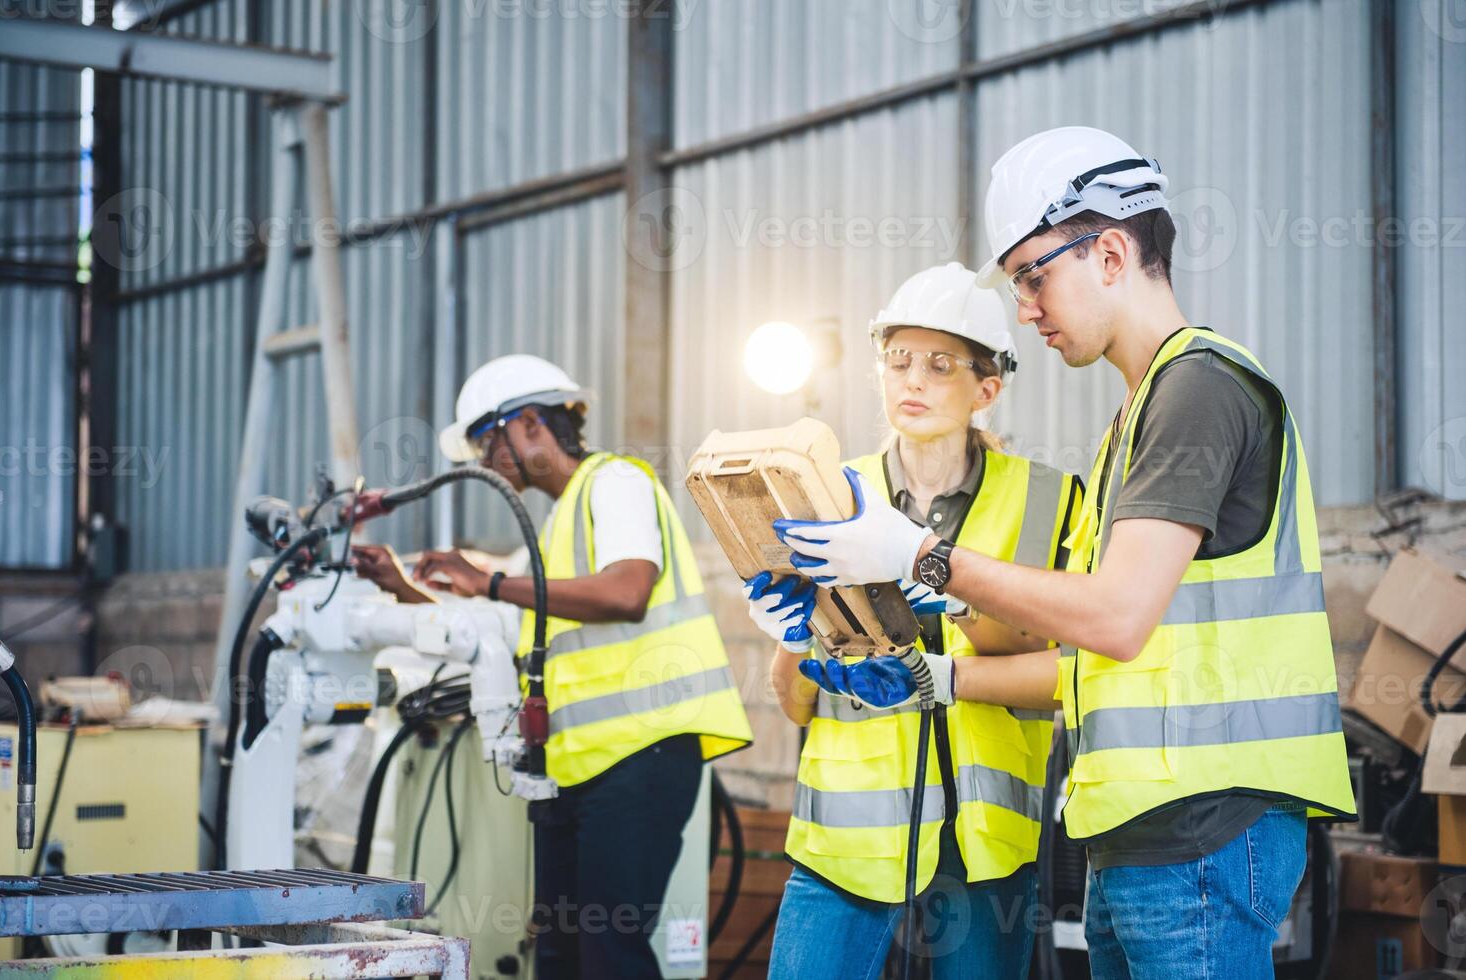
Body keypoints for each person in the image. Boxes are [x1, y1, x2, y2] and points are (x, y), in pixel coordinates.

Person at [772, 127, 1356, 979]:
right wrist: (934, 633)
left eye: (1035, 276)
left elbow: (1116, 619)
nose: (1028, 308)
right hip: (1139, 829)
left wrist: (924, 559)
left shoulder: (1197, 387)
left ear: (1112, 251)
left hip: (1201, 826)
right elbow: (1088, 646)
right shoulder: (1135, 416)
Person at [354, 353, 753, 979]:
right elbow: (495, 623)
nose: (488, 466)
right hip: (578, 770)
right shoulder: (555, 530)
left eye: (489, 445)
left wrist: (486, 580)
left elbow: (626, 592)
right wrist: (403, 585)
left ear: (532, 422)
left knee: (609, 954)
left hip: (640, 756)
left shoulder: (616, 482)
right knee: (563, 954)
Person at [743, 263, 1082, 979]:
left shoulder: (1051, 498)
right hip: (846, 843)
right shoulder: (827, 493)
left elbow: (1062, 676)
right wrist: (792, 639)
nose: (913, 380)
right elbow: (797, 702)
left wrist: (957, 600)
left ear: (987, 388)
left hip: (987, 843)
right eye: (898, 361)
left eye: (939, 364)